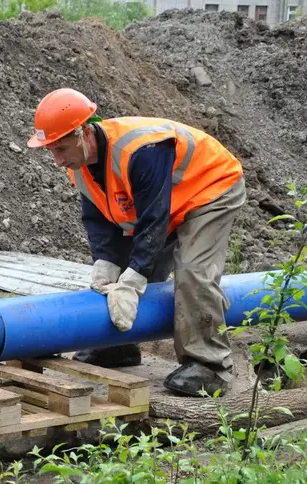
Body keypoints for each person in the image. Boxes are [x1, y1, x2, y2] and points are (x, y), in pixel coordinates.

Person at [27, 88, 246, 397]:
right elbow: (100, 218)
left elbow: (153, 219)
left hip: (210, 189)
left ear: (84, 133)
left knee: (194, 272)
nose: (57, 160)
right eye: (51, 151)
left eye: (60, 149)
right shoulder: (80, 163)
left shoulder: (141, 149)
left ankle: (211, 366)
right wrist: (106, 264)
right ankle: (118, 347)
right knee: (121, 276)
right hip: (167, 203)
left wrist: (135, 277)